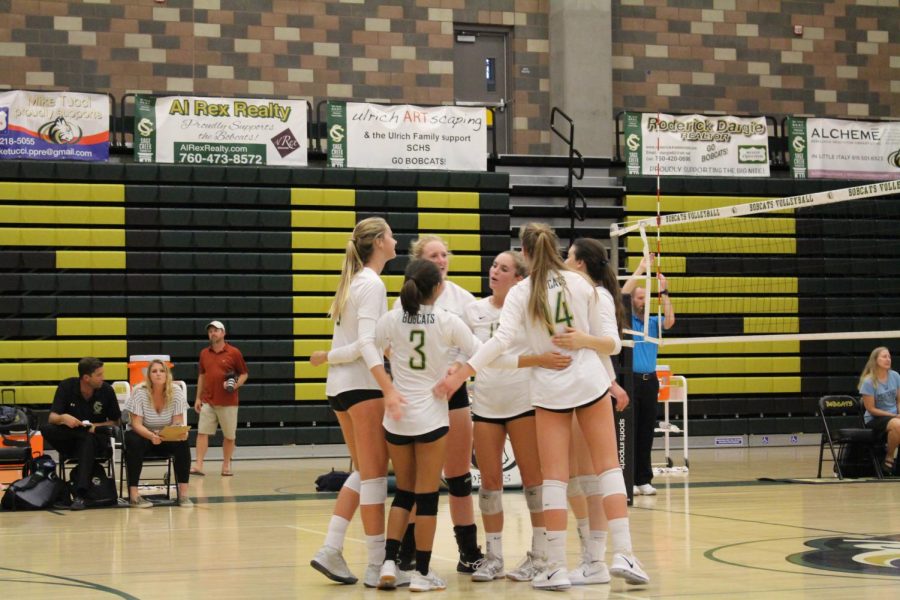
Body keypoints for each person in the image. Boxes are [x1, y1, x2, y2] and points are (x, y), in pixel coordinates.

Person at [435, 223, 649, 590]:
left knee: (554, 478)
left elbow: (500, 343)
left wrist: (464, 372)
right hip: (590, 383)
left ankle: (555, 566)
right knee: (608, 469)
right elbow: (613, 345)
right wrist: (583, 340)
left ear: (525, 252)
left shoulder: (522, 291)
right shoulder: (582, 284)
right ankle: (624, 552)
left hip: (550, 391)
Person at [375, 259, 482, 592]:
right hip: (431, 417)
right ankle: (422, 573)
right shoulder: (447, 320)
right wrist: (459, 370)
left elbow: (368, 348)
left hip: (396, 417)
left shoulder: (391, 319)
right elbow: (482, 350)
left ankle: (389, 563)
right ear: (438, 288)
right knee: (427, 497)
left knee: (403, 494)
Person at [465, 250, 572, 583]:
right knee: (489, 483)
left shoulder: (529, 309)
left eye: (504, 268)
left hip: (523, 403)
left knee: (534, 481)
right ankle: (493, 556)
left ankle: (539, 556)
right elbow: (479, 357)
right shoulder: (473, 310)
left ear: (518, 278)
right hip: (485, 405)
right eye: (494, 265)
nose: (495, 271)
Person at [308, 216, 403, 588]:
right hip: (363, 388)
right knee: (375, 475)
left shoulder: (354, 283)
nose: (396, 240)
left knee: (364, 471)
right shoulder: (373, 284)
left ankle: (332, 547)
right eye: (391, 236)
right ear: (379, 241)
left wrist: (328, 357)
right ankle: (376, 564)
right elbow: (365, 344)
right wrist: (387, 384)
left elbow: (358, 343)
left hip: (341, 388)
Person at [399, 234, 483, 573]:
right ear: (420, 260)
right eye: (434, 255)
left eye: (445, 254)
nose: (441, 260)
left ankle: (468, 551)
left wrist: (458, 370)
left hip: (454, 390)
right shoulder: (404, 302)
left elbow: (479, 344)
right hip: (419, 394)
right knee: (421, 478)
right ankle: (407, 551)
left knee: (459, 475)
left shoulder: (462, 299)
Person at [557, 237, 631, 585]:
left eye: (568, 257)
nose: (564, 261)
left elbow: (611, 343)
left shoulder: (596, 294)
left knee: (591, 475)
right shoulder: (580, 294)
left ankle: (598, 558)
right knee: (578, 477)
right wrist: (613, 381)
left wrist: (583, 341)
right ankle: (592, 557)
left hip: (588, 389)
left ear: (581, 263)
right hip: (585, 385)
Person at [622, 253, 675, 496]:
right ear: (633, 301)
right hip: (630, 382)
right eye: (640, 297)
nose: (643, 301)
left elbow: (670, 321)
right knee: (629, 433)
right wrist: (642, 269)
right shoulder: (627, 321)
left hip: (649, 381)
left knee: (646, 431)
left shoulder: (652, 322)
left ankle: (644, 479)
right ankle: (629, 479)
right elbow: (622, 292)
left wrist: (663, 292)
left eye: (646, 297)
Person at [41, 357, 121, 510]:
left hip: (96, 438)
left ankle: (80, 493)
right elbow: (52, 418)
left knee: (88, 438)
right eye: (99, 375)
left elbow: (115, 422)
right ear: (86, 378)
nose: (103, 378)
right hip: (71, 438)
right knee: (46, 429)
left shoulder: (107, 391)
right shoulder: (66, 386)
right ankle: (67, 490)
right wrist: (63, 418)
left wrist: (93, 426)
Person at [124, 359, 192, 507]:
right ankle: (134, 496)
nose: (158, 374)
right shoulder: (140, 392)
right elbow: (136, 424)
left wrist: (177, 432)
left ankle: (183, 494)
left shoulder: (176, 392)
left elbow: (177, 422)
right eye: (154, 371)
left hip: (164, 435)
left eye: (162, 371)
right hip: (143, 435)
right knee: (133, 441)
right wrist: (151, 435)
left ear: (167, 374)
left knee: (182, 442)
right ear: (149, 376)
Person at [191, 320, 248, 478]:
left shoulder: (234, 352)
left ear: (223, 333)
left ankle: (226, 464)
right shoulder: (204, 353)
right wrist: (197, 398)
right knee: (202, 432)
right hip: (208, 400)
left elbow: (244, 374)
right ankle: (199, 464)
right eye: (210, 331)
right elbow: (202, 376)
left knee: (229, 436)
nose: (213, 333)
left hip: (228, 402)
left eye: (216, 330)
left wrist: (235, 385)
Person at [858, 346, 900, 473]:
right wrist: (893, 416)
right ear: (875, 360)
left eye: (889, 357)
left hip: (894, 416)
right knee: (897, 424)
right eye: (884, 357)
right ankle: (889, 457)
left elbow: (899, 401)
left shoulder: (895, 376)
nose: (888, 359)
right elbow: (870, 409)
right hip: (875, 418)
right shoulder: (868, 381)